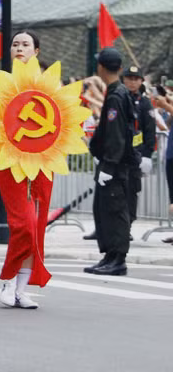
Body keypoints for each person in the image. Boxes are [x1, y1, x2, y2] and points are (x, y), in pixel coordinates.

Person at [0, 29, 50, 309]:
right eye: (15, 44)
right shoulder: (1, 84)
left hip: (42, 164)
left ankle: (21, 289)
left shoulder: (48, 86)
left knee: (36, 228)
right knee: (23, 224)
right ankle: (7, 280)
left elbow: (64, 122)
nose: (19, 48)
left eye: (25, 44)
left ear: (36, 51)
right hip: (10, 163)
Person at [85, 48, 132, 276]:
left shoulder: (116, 96)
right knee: (104, 211)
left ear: (100, 68)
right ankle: (110, 255)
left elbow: (116, 135)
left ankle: (118, 258)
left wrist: (110, 166)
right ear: (120, 69)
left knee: (115, 211)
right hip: (110, 163)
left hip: (114, 166)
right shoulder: (116, 92)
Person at [122, 66, 157, 228]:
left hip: (135, 154)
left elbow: (150, 130)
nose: (132, 82)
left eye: (136, 79)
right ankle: (105, 226)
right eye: (129, 78)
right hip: (117, 153)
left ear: (141, 81)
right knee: (111, 192)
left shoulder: (144, 104)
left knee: (130, 190)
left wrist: (147, 155)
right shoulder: (118, 99)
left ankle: (127, 224)